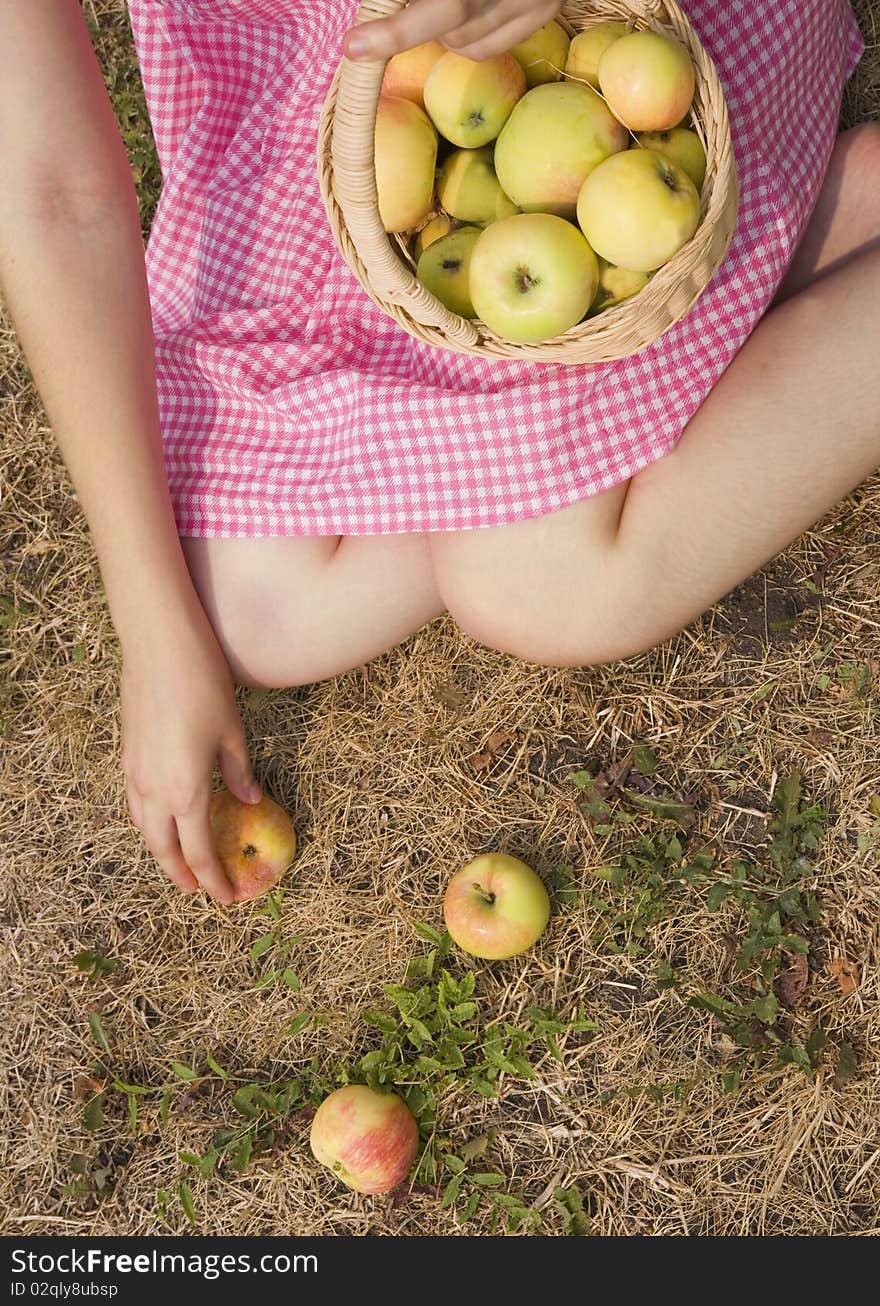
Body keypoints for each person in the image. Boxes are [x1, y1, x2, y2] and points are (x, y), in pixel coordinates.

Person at [1, 1, 876, 906]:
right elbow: (53, 195)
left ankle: (749, 239)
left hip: (619, 59)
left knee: (544, 588)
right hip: (341, 116)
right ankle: (798, 236)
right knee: (255, 609)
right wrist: (153, 636)